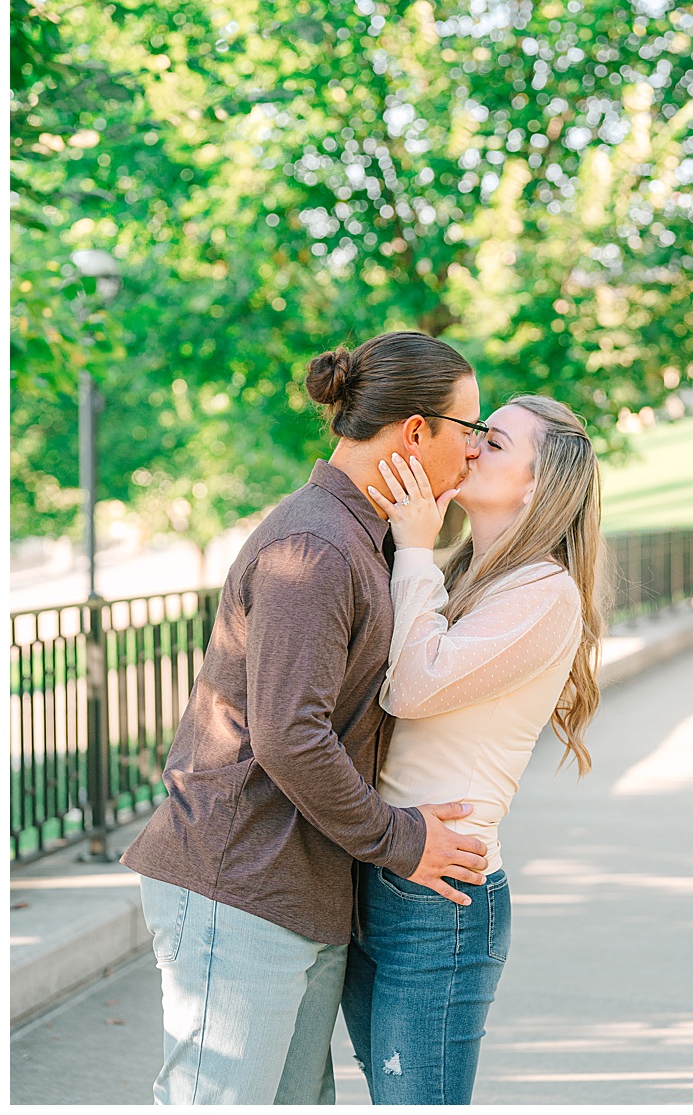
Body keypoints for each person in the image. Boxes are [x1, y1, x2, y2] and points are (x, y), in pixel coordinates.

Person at [123, 331, 498, 1104]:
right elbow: (291, 734)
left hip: (301, 888)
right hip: (243, 883)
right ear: (416, 431)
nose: (476, 453)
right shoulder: (315, 548)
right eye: (471, 431)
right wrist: (405, 840)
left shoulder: (368, 541)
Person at [342, 394, 606, 1104]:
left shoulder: (543, 592)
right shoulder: (467, 575)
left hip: (441, 897)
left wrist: (417, 546)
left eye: (492, 440)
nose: (469, 447)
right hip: (387, 868)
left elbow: (413, 687)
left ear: (538, 482)